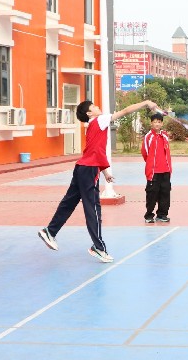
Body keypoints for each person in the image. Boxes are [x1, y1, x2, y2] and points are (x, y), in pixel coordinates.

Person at [38, 98, 160, 262]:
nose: (97, 107)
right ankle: (98, 247)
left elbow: (95, 152)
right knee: (93, 209)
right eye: (94, 106)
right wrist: (146, 103)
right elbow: (125, 111)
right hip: (88, 171)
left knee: (69, 203)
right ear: (89, 113)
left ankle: (49, 232)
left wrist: (105, 172)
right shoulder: (99, 120)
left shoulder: (91, 127)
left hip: (82, 168)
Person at [141, 112, 172, 224]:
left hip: (166, 170)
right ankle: (149, 215)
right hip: (153, 172)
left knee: (165, 194)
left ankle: (162, 215)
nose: (157, 124)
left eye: (159, 122)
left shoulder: (165, 136)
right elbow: (145, 153)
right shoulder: (148, 137)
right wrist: (151, 164)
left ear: (162, 123)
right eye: (155, 122)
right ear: (151, 123)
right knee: (152, 195)